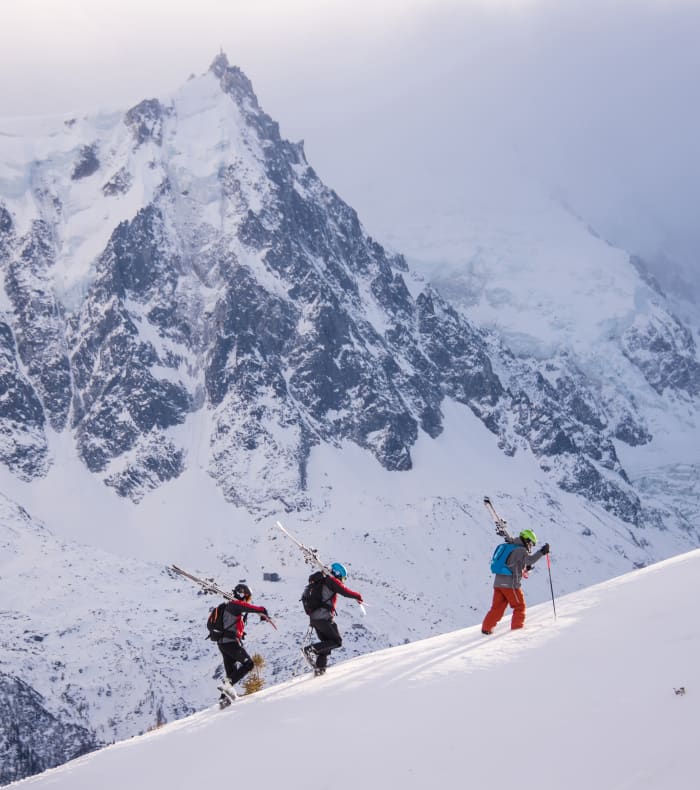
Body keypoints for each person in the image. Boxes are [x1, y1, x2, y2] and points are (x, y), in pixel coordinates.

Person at [481, 527, 550, 634]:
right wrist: (542, 552)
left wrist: (525, 568)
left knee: (497, 608)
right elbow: (529, 560)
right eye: (531, 543)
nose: (530, 546)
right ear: (526, 540)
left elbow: (513, 564)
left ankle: (486, 629)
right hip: (510, 585)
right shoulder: (521, 550)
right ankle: (517, 631)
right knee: (519, 606)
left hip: (498, 583)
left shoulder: (511, 546)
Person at [302, 562, 363, 676]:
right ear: (338, 574)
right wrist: (358, 596)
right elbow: (345, 591)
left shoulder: (319, 581)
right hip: (323, 618)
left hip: (315, 619)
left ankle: (320, 671)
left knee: (325, 646)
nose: (342, 581)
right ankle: (309, 650)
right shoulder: (331, 580)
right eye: (343, 578)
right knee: (337, 641)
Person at [215, 583, 271, 704]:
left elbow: (232, 622)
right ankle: (227, 687)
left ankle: (224, 699)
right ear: (242, 594)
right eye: (247, 597)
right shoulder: (235, 604)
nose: (248, 600)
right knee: (249, 664)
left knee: (231, 673)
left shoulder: (229, 605)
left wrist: (240, 634)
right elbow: (248, 607)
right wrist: (262, 611)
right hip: (230, 643)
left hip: (223, 643)